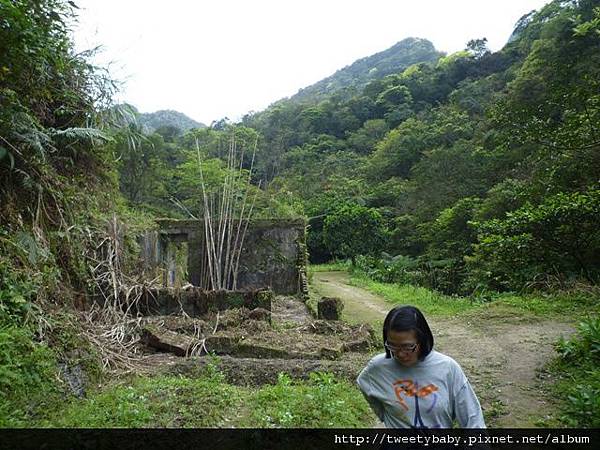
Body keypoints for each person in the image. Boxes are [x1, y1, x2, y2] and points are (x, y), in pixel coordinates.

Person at [357, 305, 485, 428]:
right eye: (393, 346)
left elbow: (473, 420)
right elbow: (364, 384)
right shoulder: (378, 368)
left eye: (407, 347)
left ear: (422, 339)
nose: (400, 353)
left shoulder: (447, 368)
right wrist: (388, 416)